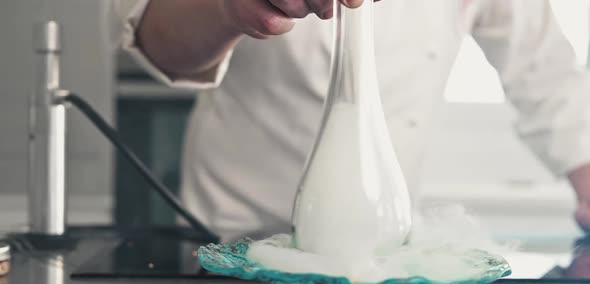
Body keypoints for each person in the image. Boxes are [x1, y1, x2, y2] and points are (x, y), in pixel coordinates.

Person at [115, 0, 590, 241]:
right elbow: (157, 44)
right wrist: (227, 7)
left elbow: (543, 70)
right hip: (237, 237)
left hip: (383, 247)